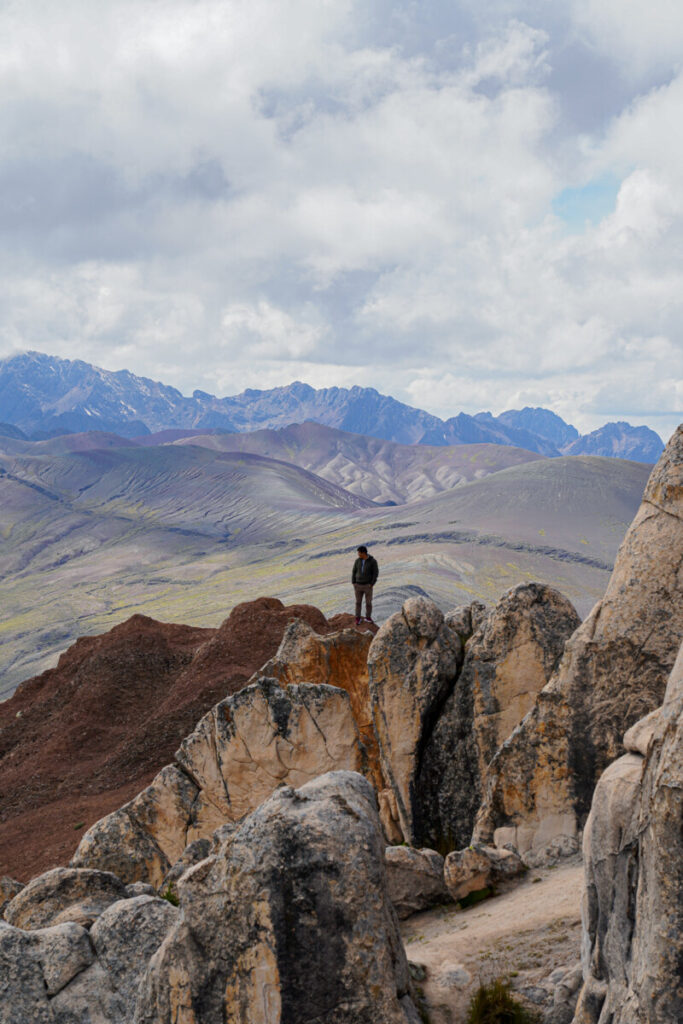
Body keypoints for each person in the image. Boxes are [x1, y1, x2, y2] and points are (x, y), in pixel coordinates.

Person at [351, 545, 379, 625]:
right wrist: (353, 582)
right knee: (358, 603)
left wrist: (372, 584)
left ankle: (368, 617)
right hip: (358, 585)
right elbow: (354, 571)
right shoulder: (357, 561)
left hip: (368, 586)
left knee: (368, 603)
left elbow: (375, 573)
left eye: (359, 553)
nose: (358, 554)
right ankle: (358, 618)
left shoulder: (373, 561)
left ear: (363, 553)